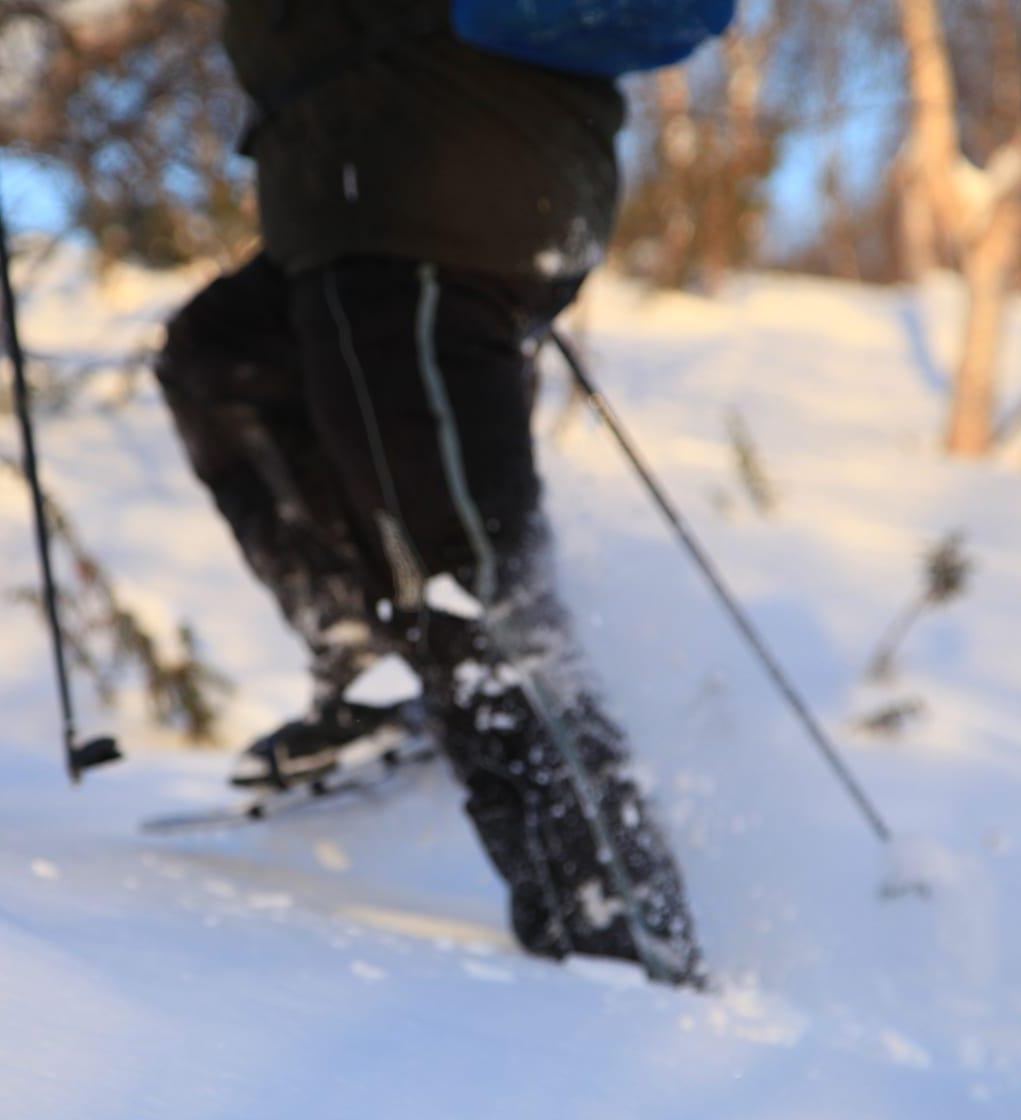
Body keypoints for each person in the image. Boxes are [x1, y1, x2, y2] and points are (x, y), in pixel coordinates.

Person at [155, 0, 706, 986]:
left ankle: (622, 937)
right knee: (228, 359)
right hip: (383, 192)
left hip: (426, 194)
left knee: (468, 586)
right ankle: (373, 666)